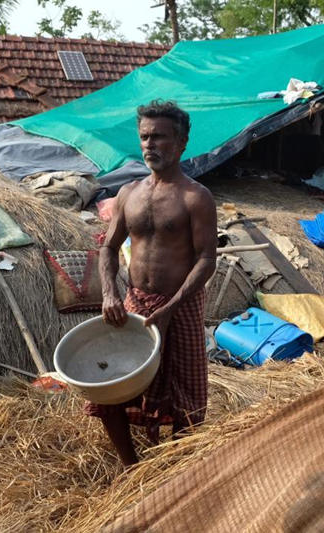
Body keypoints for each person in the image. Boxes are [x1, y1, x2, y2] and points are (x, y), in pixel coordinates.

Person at [86, 100, 217, 466]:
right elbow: (109, 248)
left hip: (182, 305)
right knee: (111, 385)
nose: (150, 145)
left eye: (159, 137)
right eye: (145, 137)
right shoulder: (129, 194)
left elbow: (207, 258)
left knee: (187, 398)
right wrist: (110, 294)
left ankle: (174, 473)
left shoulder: (196, 197)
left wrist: (171, 306)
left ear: (181, 142)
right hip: (135, 301)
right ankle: (132, 467)